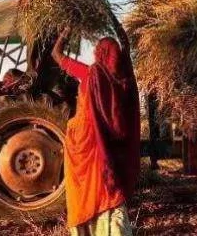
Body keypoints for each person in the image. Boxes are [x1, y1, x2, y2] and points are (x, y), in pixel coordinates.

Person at [51, 13, 140, 236]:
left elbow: (56, 54)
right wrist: (111, 17)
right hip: (110, 147)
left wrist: (66, 30)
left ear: (98, 54)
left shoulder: (90, 74)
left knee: (84, 190)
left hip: (84, 143)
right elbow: (126, 43)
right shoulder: (125, 76)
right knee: (110, 191)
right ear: (117, 55)